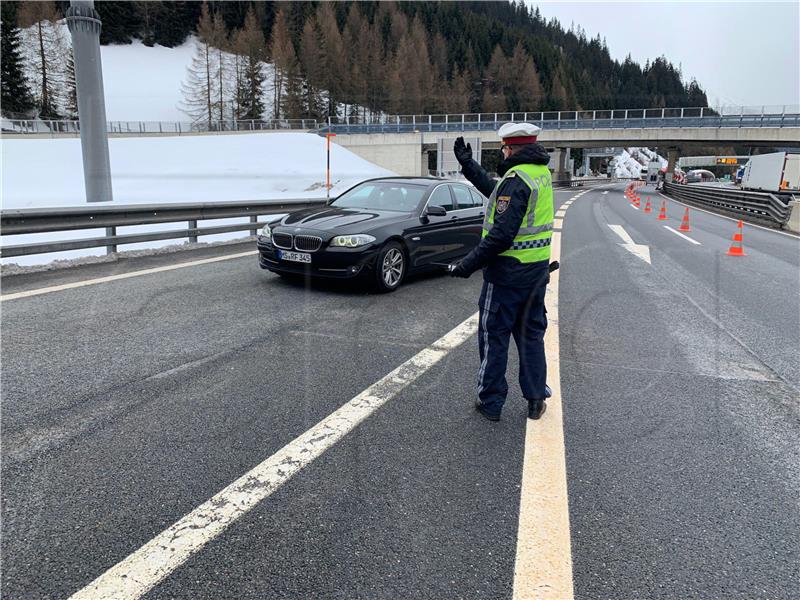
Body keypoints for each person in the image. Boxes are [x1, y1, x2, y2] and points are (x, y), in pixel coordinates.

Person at [449, 124, 554, 422]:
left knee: (494, 337)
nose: (504, 152)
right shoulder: (539, 174)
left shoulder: (517, 178)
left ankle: (491, 401)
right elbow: (497, 193)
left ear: (511, 148)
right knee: (530, 337)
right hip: (535, 275)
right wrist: (469, 166)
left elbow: (501, 235)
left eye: (505, 148)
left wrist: (467, 265)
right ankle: (535, 400)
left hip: (507, 276)